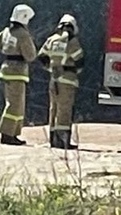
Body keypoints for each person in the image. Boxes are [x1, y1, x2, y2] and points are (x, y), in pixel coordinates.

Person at [0, 3, 37, 145]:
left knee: (13, 103)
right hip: (17, 72)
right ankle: (7, 135)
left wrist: (7, 52)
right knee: (15, 105)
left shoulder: (6, 31)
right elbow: (30, 55)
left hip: (5, 69)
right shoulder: (23, 34)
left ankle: (12, 134)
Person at [38, 13, 84, 149]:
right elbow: (80, 61)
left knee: (54, 108)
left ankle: (53, 139)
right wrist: (74, 72)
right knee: (65, 109)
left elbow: (41, 56)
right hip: (67, 80)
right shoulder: (72, 42)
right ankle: (62, 141)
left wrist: (51, 69)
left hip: (53, 79)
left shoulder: (52, 40)